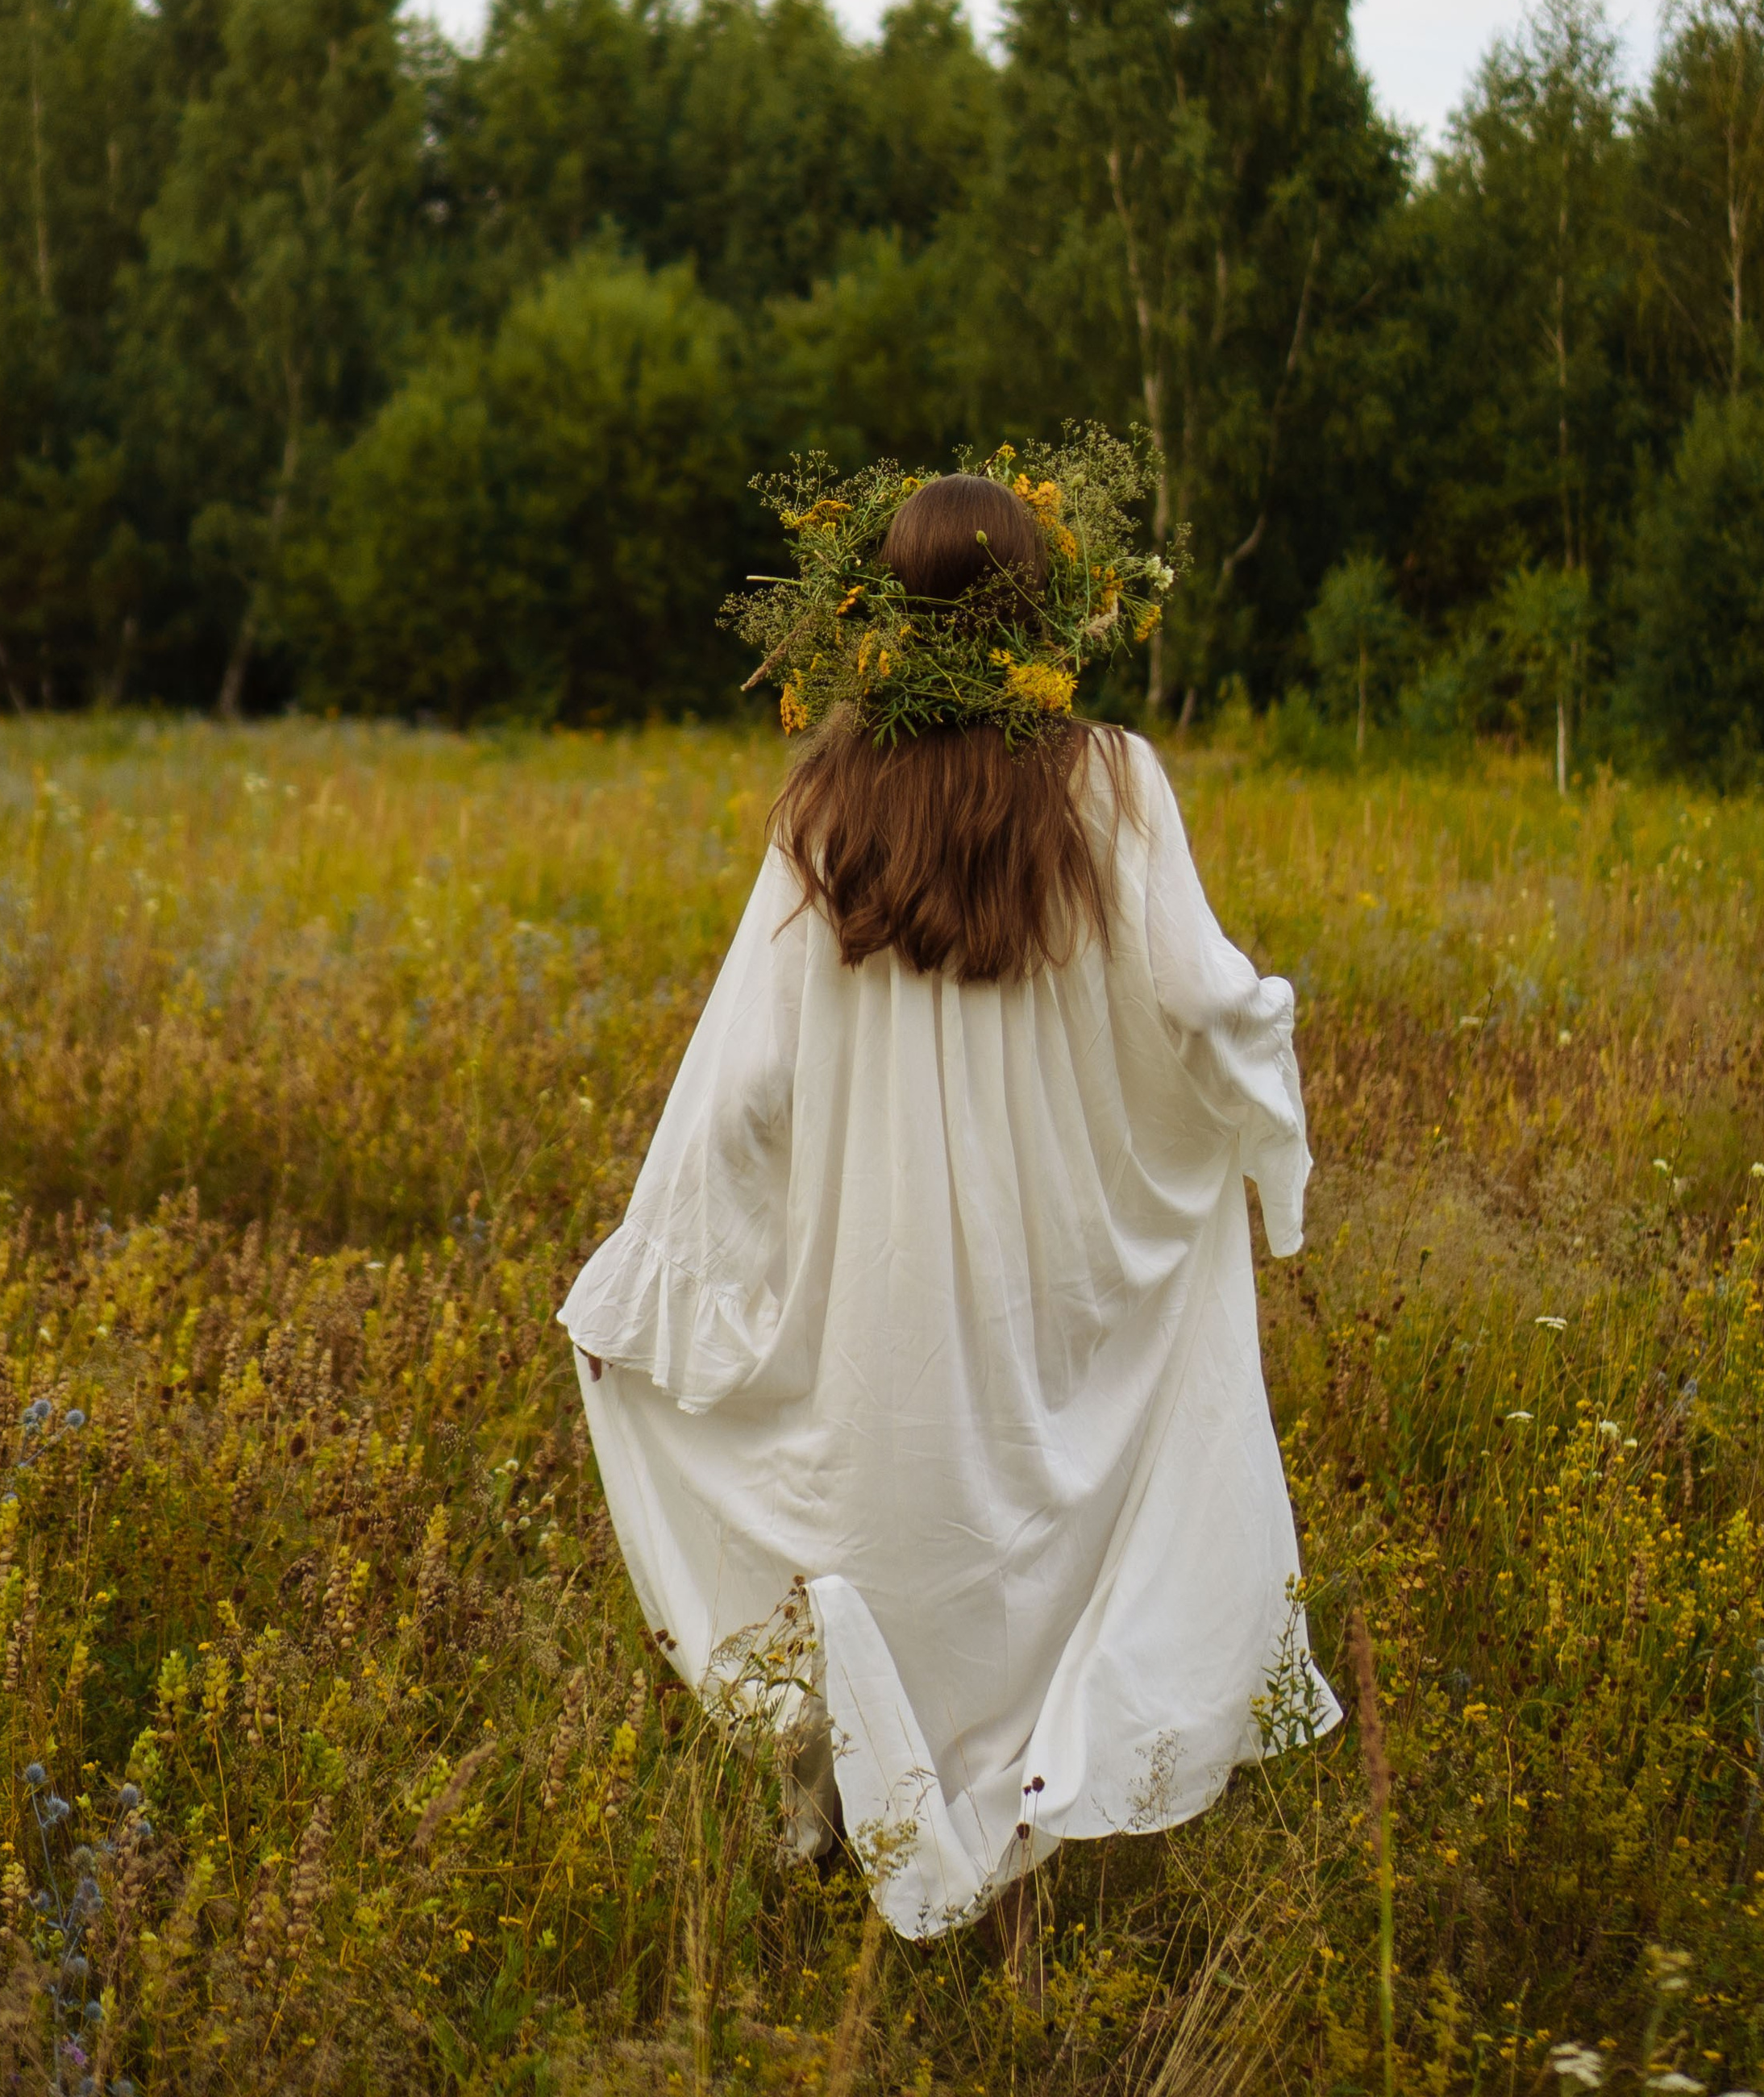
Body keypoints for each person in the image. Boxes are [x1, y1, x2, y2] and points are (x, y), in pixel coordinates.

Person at [560, 446, 1338, 1940]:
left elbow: (741, 1085)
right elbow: (1204, 996)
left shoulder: (829, 804)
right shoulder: (1110, 779)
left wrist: (657, 1284)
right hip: (1063, 1255)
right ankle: (1006, 1805)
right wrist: (1263, 1118)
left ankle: (872, 1792)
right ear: (1040, 618)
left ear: (889, 616)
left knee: (885, 1516)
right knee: (1054, 1520)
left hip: (889, 1270)